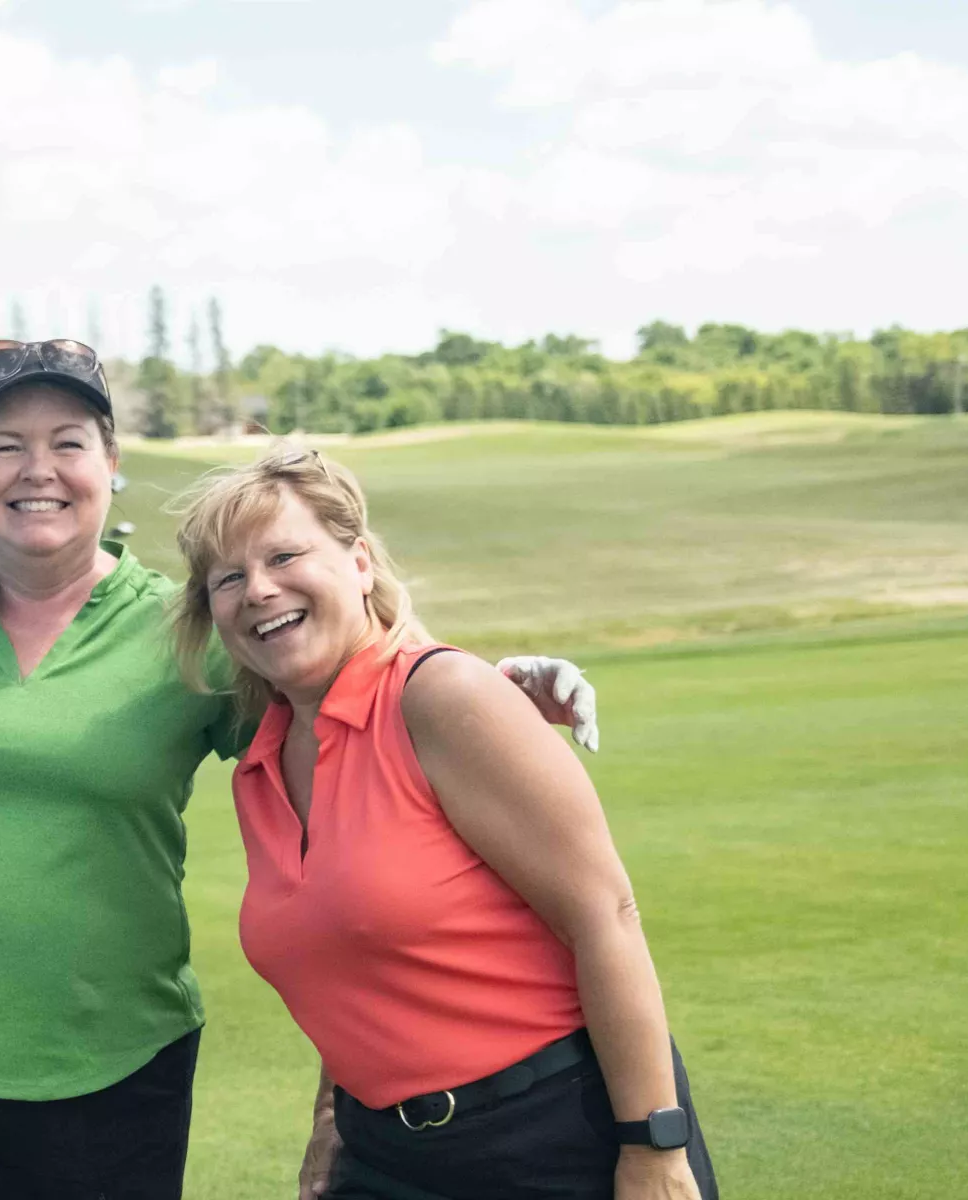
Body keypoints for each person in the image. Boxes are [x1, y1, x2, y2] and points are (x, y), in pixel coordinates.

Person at [0, 341, 598, 1200]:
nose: (37, 469)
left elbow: (354, 684)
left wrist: (477, 679)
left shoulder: (196, 632)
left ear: (111, 464)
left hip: (116, 1078)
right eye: (4, 445)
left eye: (68, 443)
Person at [172, 446, 715, 1200]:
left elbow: (607, 916)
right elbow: (356, 959)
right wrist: (331, 1125)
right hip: (382, 1157)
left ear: (359, 562)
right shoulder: (262, 765)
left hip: (553, 1142)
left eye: (285, 555)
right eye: (228, 578)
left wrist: (655, 1149)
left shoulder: (442, 696)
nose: (258, 589)